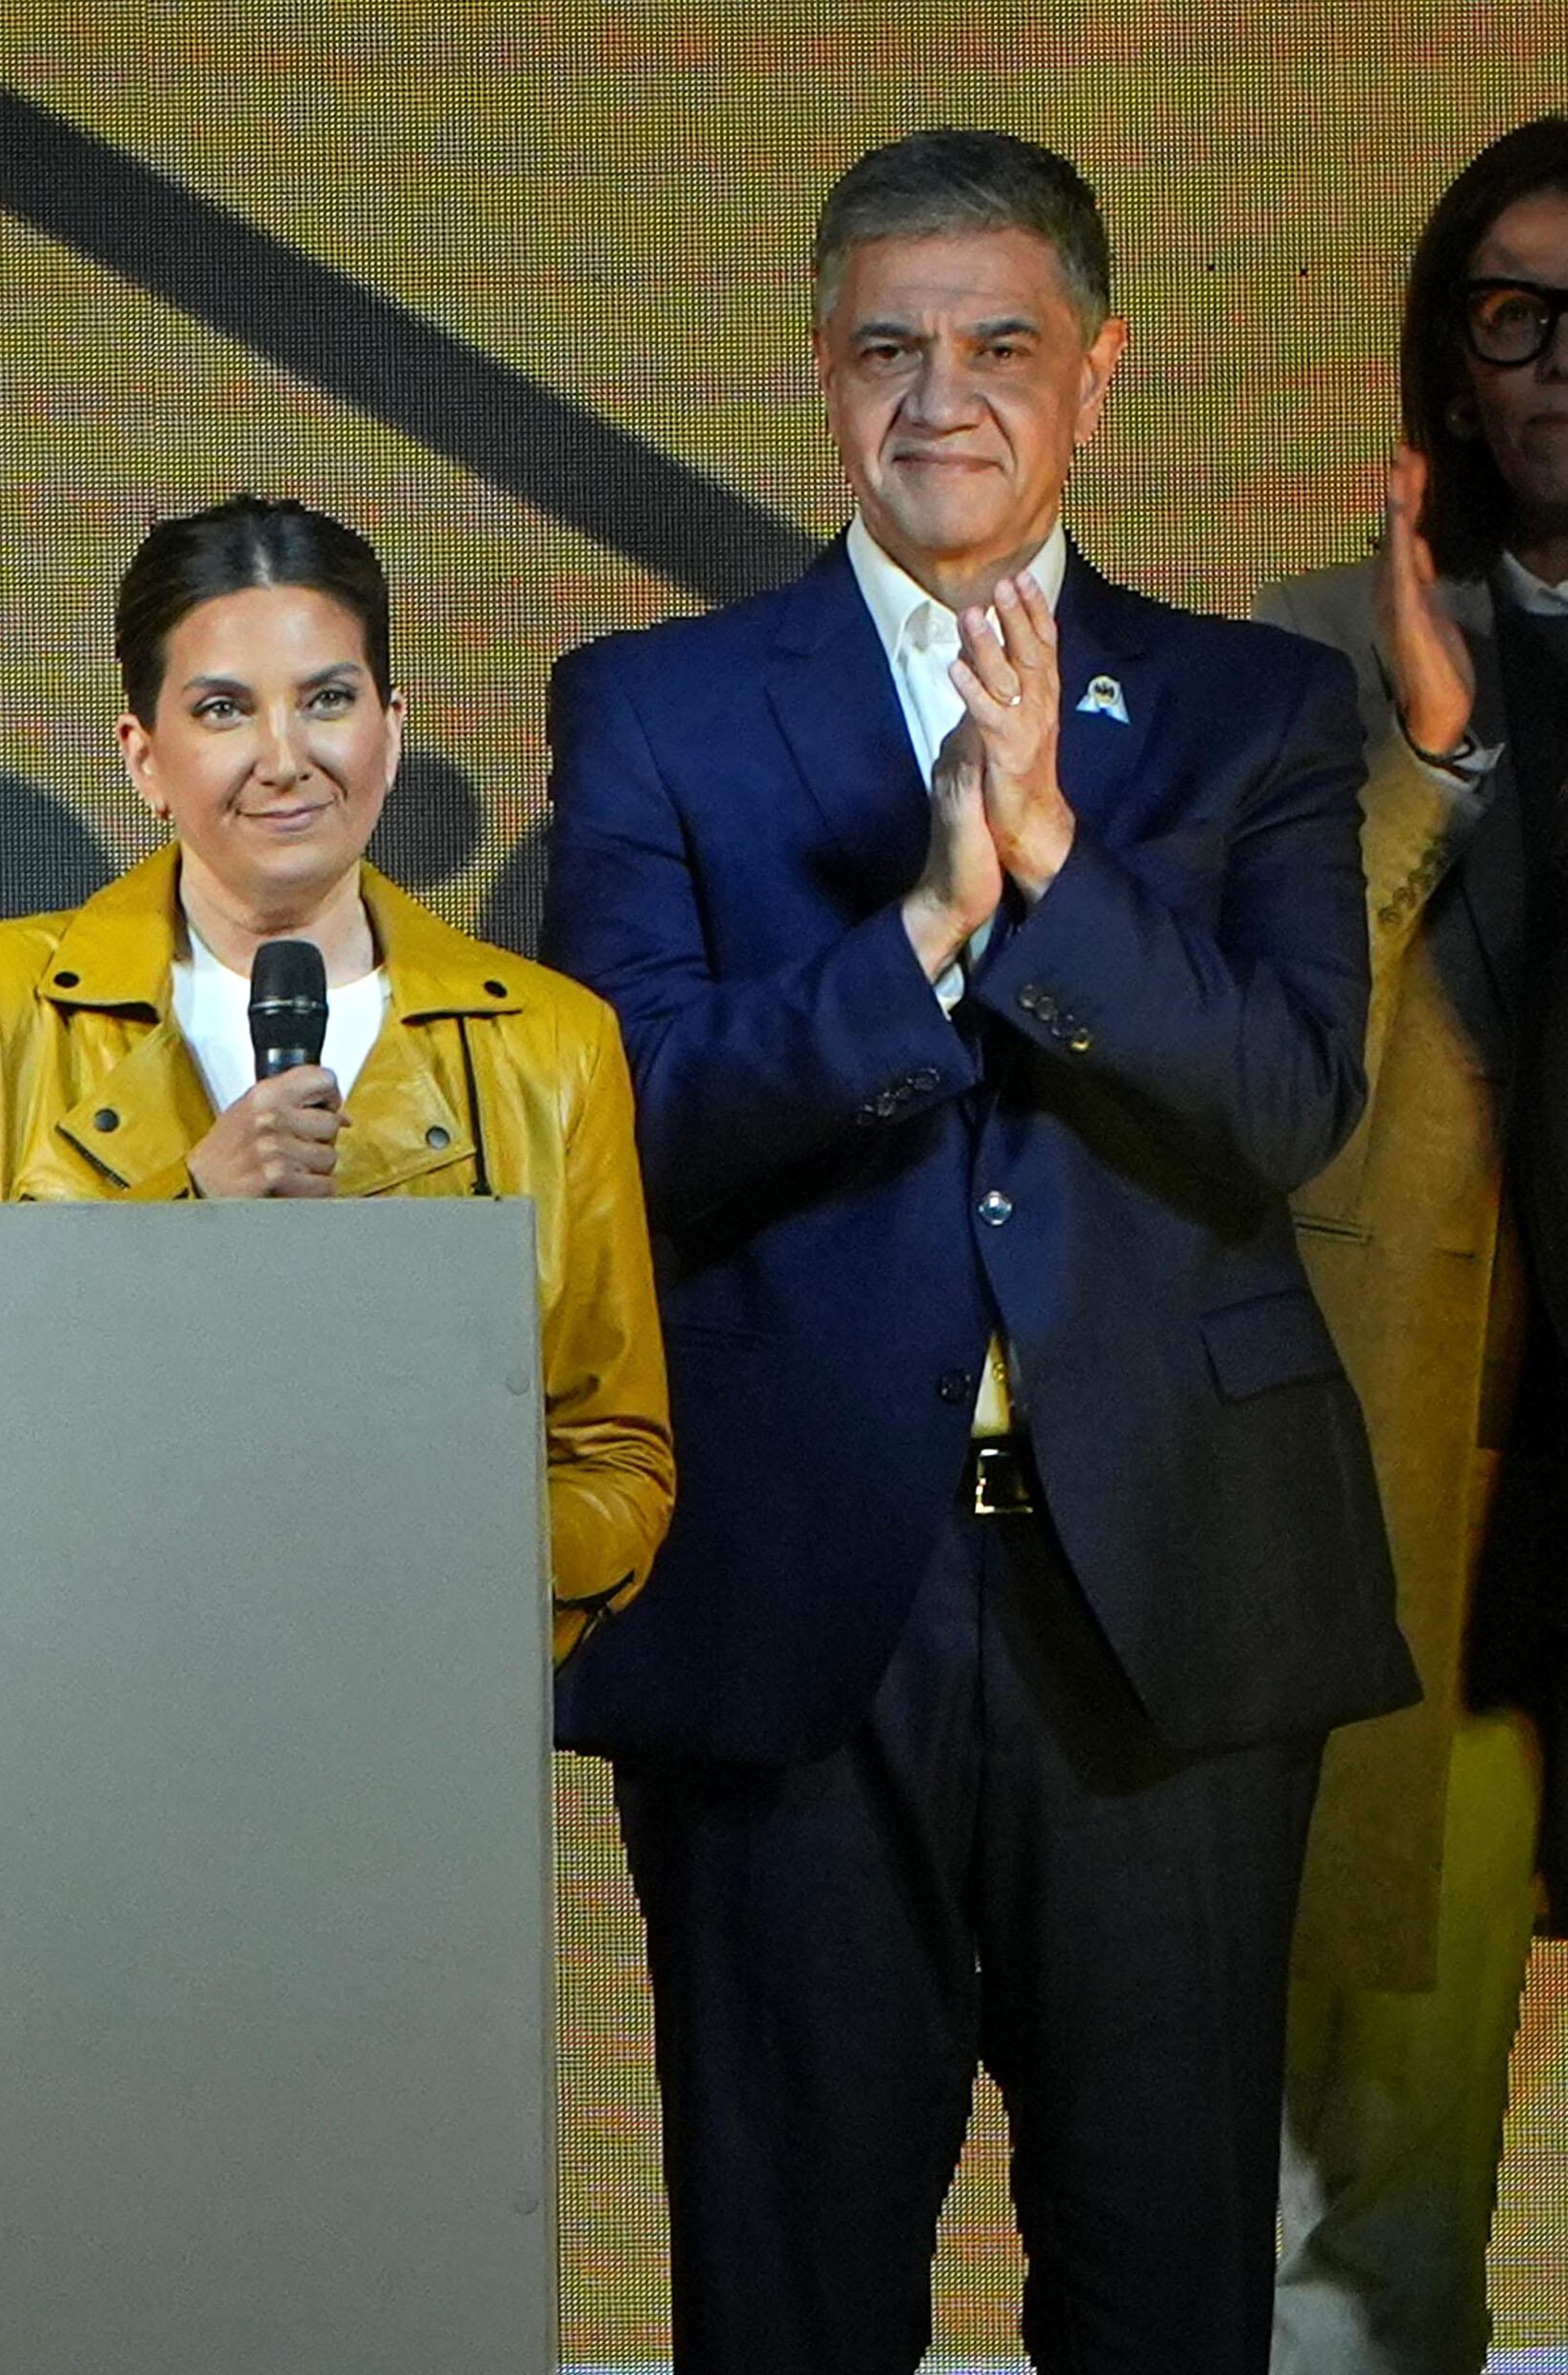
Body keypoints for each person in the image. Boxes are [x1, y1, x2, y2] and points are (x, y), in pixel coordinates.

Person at [540, 129, 1411, 2372]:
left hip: (1164, 1606)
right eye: (886, 349)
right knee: (789, 2289)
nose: (942, 396)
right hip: (801, 1599)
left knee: (1160, 2281)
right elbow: (622, 1120)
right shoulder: (653, 703)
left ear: (1095, 374)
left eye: (999, 343)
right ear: (819, 377)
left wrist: (1044, 859)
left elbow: (1282, 1104)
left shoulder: (1248, 713)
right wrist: (923, 930)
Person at [0, 493, 673, 1660]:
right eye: (225, 709)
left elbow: (616, 1457)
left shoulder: (549, 1043)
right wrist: (188, 1226)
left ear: (391, 727)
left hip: (405, 1696)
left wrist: (430, 1551)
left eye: (327, 700)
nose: (284, 760)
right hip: (55, 1686)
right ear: (143, 755)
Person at [1260, 113, 1568, 2375]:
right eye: (1511, 316)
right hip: (1443, 1516)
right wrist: (1433, 766)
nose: (1559, 362)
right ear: (1451, 367)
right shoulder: (1318, 666)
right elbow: (1266, 1087)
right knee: (1373, 2202)